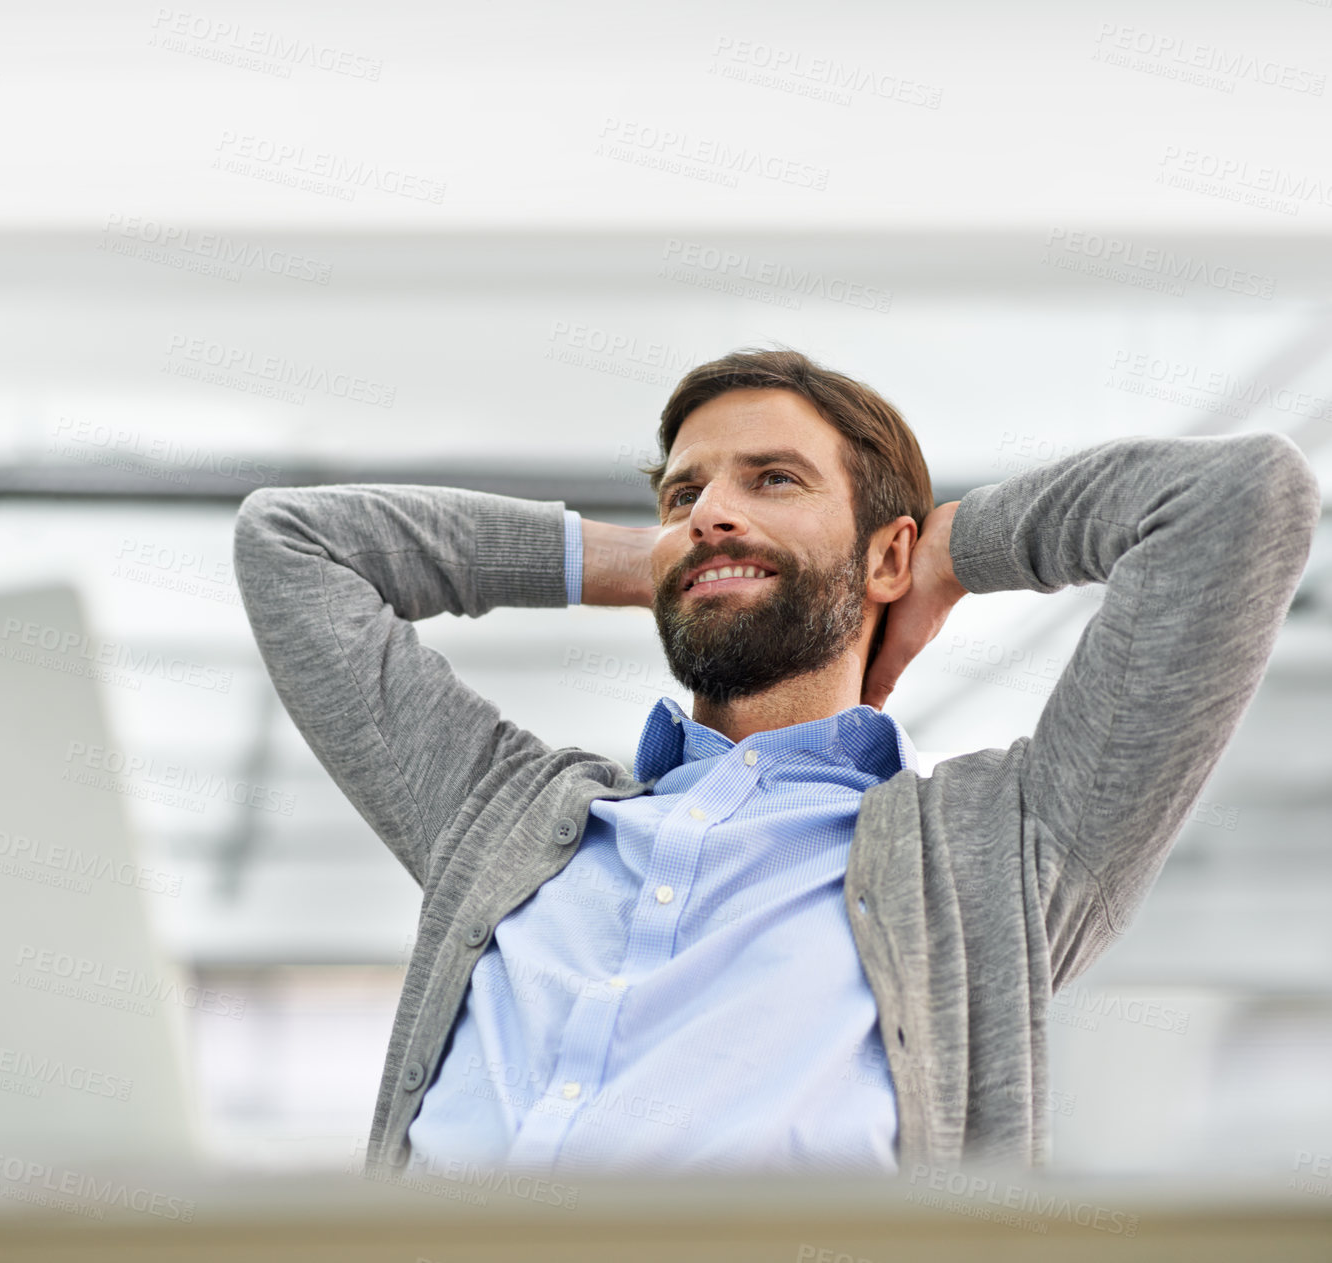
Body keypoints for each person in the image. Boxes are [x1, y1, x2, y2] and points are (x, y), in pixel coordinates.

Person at [232, 346, 1319, 1178]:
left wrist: (948, 550)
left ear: (883, 551)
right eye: (684, 493)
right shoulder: (504, 816)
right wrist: (648, 559)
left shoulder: (1000, 857)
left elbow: (1239, 501)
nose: (711, 511)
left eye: (772, 481)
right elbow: (292, 544)